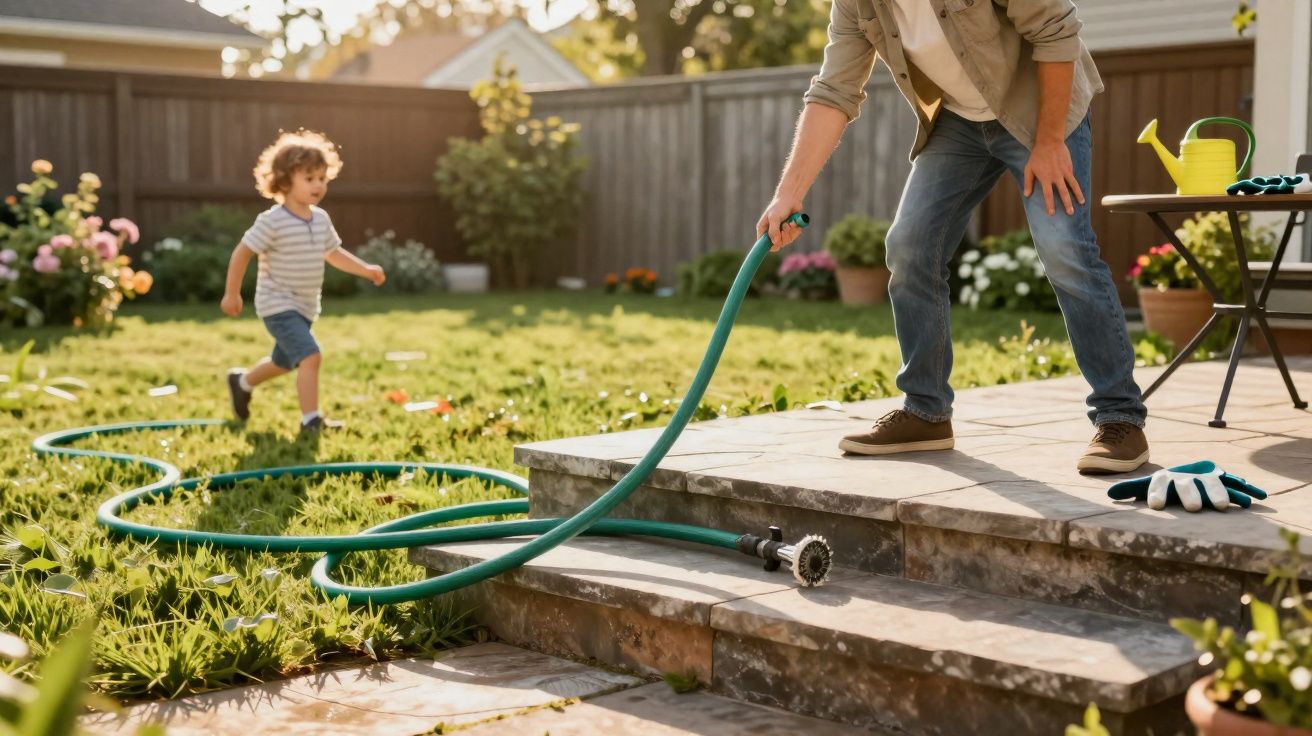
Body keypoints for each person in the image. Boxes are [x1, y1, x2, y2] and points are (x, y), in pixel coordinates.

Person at [756, 0, 1148, 475]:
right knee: (909, 247)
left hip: (1039, 110)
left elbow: (1056, 30)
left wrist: (1049, 143)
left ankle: (1120, 416)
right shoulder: (856, 5)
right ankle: (926, 412)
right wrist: (788, 194)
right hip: (959, 123)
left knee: (1064, 249)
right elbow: (835, 89)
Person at [221, 129, 386, 433]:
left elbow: (333, 253)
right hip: (277, 305)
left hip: (305, 307)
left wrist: (365, 269)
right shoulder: (272, 221)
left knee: (284, 363)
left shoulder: (320, 219)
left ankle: (242, 382)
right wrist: (232, 294)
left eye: (322, 178)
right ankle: (311, 421)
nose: (318, 185)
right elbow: (242, 253)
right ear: (285, 181)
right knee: (311, 356)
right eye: (309, 178)